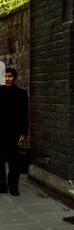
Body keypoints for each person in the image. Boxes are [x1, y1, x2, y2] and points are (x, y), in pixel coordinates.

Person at [0, 66, 24, 196]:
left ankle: (13, 186)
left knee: (15, 161)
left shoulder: (21, 93)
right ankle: (2, 185)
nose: (7, 78)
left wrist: (23, 133)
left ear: (14, 78)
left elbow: (24, 114)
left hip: (15, 134)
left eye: (10, 76)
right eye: (5, 76)